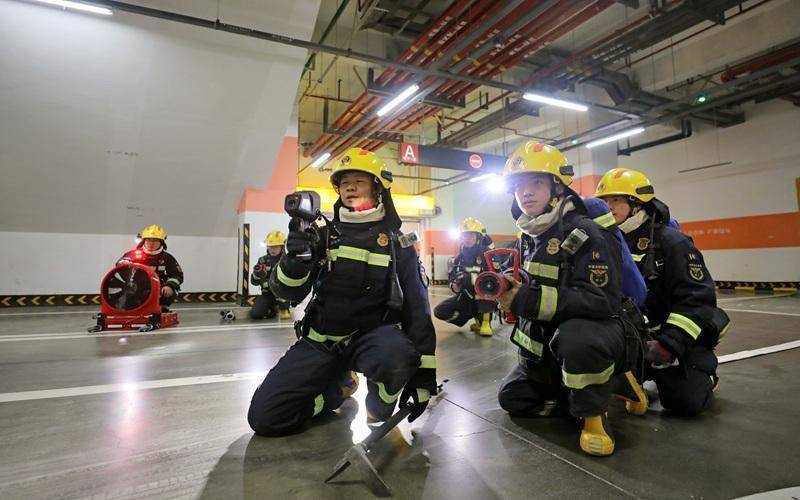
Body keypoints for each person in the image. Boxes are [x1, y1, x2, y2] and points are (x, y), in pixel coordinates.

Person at [247, 148, 437, 436]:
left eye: (359, 180)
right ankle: (338, 391)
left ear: (378, 188)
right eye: (344, 182)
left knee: (397, 355)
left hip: (373, 341)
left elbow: (418, 311)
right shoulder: (322, 236)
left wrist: (423, 379)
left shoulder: (399, 244)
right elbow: (287, 292)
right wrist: (295, 259)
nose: (350, 187)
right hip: (321, 341)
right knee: (265, 418)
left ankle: (379, 406)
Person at [494, 141, 645, 457]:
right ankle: (591, 393)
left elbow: (601, 301)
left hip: (589, 334)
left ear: (558, 187)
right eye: (519, 186)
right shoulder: (529, 235)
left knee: (577, 338)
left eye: (536, 182)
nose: (526, 192)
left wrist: (526, 299)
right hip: (547, 346)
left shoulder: (586, 232)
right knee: (512, 398)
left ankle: (594, 418)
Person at [595, 168, 730, 416]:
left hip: (668, 341)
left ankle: (704, 375)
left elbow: (697, 301)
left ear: (637, 204)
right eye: (604, 201)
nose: (608, 207)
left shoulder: (672, 242)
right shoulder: (604, 242)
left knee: (686, 402)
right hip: (630, 339)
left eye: (616, 200)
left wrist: (669, 344)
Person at [433, 217, 496, 336]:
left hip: (484, 294)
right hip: (467, 295)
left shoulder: (487, 255)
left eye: (471, 235)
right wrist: (454, 285)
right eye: (465, 235)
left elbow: (494, 279)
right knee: (439, 311)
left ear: (478, 237)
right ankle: (471, 316)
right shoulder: (460, 257)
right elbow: (452, 275)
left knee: (486, 292)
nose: (467, 238)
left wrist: (468, 279)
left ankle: (485, 322)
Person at [118, 224, 183, 311]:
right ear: (143, 241)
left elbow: (177, 275)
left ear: (161, 242)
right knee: (128, 297)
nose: (151, 243)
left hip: (157, 288)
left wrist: (170, 286)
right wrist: (124, 263)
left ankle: (161, 307)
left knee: (171, 291)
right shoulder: (133, 254)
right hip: (135, 288)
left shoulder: (166, 258)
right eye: (148, 240)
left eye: (155, 241)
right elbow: (120, 263)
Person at [250, 231, 291, 320]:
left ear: (282, 247)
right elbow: (254, 282)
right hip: (267, 294)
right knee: (256, 314)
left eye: (276, 247)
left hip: (283, 294)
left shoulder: (287, 260)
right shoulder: (262, 260)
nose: (272, 249)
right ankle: (272, 310)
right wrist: (256, 275)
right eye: (270, 246)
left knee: (284, 312)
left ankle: (284, 308)